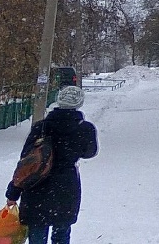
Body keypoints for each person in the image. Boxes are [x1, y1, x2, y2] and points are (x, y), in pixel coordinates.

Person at [6, 86, 98, 244]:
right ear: (79, 103)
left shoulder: (41, 127)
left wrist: (13, 193)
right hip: (65, 187)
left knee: (37, 231)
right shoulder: (85, 128)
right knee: (62, 232)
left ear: (58, 100)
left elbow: (25, 163)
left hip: (36, 185)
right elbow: (89, 152)